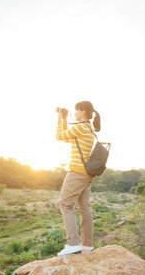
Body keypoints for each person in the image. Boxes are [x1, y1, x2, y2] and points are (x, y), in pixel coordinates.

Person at [55, 101, 101, 256]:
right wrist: (65, 118)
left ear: (82, 111)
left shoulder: (81, 127)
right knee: (84, 207)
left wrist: (61, 119)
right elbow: (68, 138)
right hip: (87, 174)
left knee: (65, 204)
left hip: (77, 172)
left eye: (76, 110)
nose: (74, 113)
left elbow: (59, 136)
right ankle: (87, 245)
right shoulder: (87, 128)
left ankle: (73, 244)